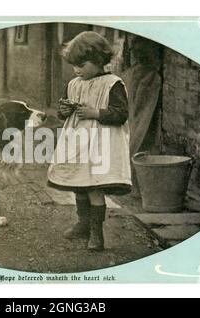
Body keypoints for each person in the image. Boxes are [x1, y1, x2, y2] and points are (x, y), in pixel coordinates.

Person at [47, 31, 132, 251]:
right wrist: (64, 111)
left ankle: (97, 233)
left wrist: (95, 113)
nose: (77, 70)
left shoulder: (113, 83)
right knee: (79, 185)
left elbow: (121, 114)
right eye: (74, 66)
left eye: (81, 65)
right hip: (77, 142)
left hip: (100, 144)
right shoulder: (75, 83)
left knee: (94, 187)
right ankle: (83, 224)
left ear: (98, 60)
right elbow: (65, 111)